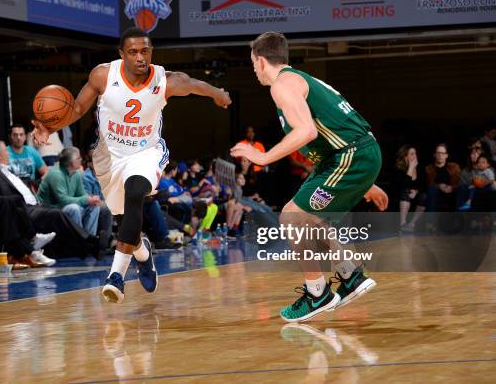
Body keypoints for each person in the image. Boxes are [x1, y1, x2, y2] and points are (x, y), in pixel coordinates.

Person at [32, 27, 231, 304]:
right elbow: (76, 110)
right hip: (109, 157)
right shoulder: (103, 75)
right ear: (122, 54)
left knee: (136, 192)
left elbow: (195, 84)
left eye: (145, 51)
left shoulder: (165, 80)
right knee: (125, 221)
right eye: (133, 52)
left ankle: (116, 276)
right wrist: (49, 127)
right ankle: (142, 253)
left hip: (145, 152)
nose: (140, 57)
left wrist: (217, 94)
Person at [231, 32, 388, 322]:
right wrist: (367, 181)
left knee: (291, 217)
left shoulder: (282, 85)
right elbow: (332, 130)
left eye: (253, 62)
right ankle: (350, 275)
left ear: (262, 60)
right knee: (309, 219)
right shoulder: (297, 80)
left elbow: (307, 132)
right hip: (351, 156)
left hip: (351, 155)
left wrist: (261, 157)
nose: (253, 69)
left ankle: (318, 293)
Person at [393, 145, 427, 232]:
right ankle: (402, 224)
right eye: (412, 154)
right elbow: (403, 185)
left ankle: (412, 223)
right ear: (405, 157)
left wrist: (416, 191)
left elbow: (423, 185)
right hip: (401, 196)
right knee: (405, 191)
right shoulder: (398, 168)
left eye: (415, 154)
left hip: (415, 196)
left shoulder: (420, 168)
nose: (415, 156)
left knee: (424, 196)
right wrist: (411, 168)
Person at [425, 143, 460, 212]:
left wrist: (452, 187)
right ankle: (431, 222)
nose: (440, 155)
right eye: (438, 153)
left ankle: (460, 218)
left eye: (443, 153)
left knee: (462, 188)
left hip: (451, 192)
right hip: (436, 193)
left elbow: (458, 182)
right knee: (432, 188)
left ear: (446, 155)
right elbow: (428, 183)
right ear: (434, 155)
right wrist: (439, 186)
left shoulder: (454, 167)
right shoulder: (429, 168)